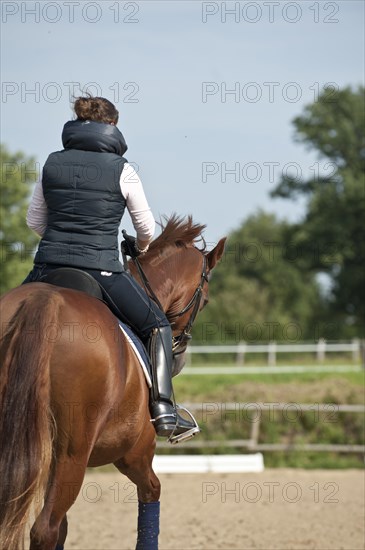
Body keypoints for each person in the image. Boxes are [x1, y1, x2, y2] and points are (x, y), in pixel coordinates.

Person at [24, 95, 198, 441]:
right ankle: (165, 409)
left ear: (76, 123)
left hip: (46, 267)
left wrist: (61, 240)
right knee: (158, 325)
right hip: (100, 269)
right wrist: (141, 248)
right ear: (113, 126)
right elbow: (146, 228)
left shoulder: (52, 163)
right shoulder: (123, 169)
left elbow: (34, 221)